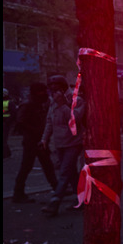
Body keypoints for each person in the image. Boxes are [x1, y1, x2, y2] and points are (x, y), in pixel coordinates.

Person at [41, 75, 85, 217]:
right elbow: (49, 121)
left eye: (56, 88)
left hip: (73, 142)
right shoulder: (53, 101)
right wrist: (44, 139)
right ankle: (82, 198)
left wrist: (63, 104)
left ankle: (55, 202)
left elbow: (74, 120)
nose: (54, 92)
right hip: (59, 143)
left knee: (64, 172)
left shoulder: (76, 99)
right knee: (71, 173)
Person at [12, 82, 59, 203]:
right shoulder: (28, 104)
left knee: (47, 165)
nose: (44, 93)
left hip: (38, 140)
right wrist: (35, 131)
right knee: (27, 166)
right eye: (42, 91)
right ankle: (18, 193)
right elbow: (21, 121)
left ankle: (58, 188)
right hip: (31, 141)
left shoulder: (39, 104)